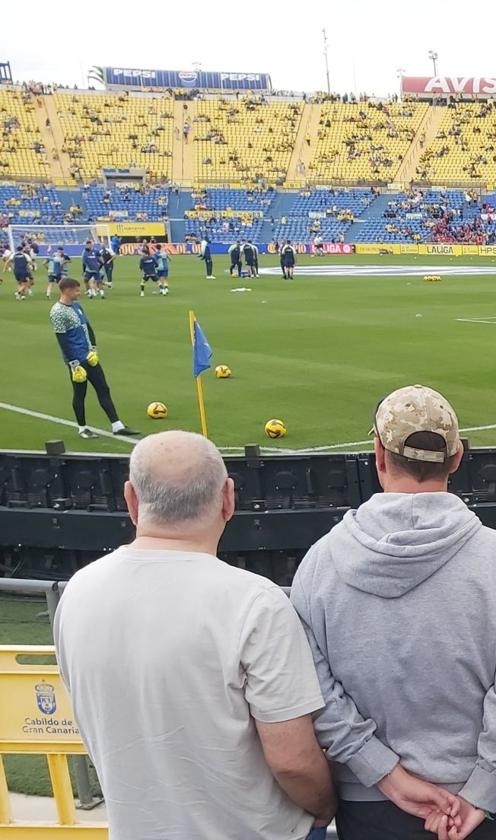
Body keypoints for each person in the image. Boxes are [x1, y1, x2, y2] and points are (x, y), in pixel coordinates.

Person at [54, 431, 336, 840]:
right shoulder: (255, 602)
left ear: (131, 500)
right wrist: (326, 806)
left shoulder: (78, 591)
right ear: (228, 499)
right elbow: (292, 760)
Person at [290, 385, 496, 840]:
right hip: (484, 808)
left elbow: (317, 693)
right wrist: (480, 791)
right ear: (457, 457)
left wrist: (384, 774)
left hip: (370, 802)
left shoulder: (320, 561)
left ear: (378, 455)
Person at [50, 277, 138, 439]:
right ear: (67, 291)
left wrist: (94, 349)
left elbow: (87, 327)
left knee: (103, 388)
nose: (79, 292)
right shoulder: (57, 312)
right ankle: (82, 428)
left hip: (89, 356)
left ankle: (117, 425)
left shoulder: (77, 306)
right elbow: (62, 340)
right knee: (80, 393)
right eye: (76, 290)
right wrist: (73, 364)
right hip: (77, 359)